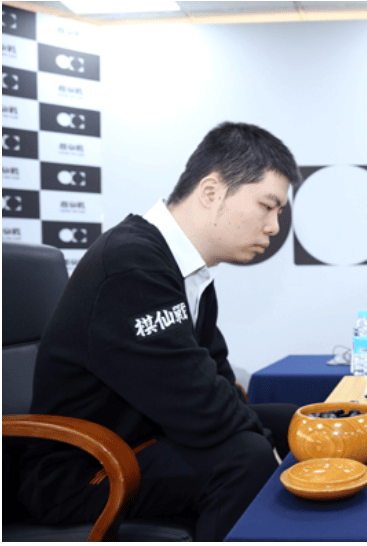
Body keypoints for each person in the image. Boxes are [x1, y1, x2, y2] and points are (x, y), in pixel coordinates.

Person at [18, 122, 302, 541]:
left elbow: (214, 375)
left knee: (291, 422)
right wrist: (267, 450)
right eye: (268, 206)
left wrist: (269, 434)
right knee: (246, 458)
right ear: (212, 192)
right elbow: (197, 402)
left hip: (144, 436)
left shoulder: (188, 271)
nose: (275, 226)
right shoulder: (129, 264)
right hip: (81, 469)